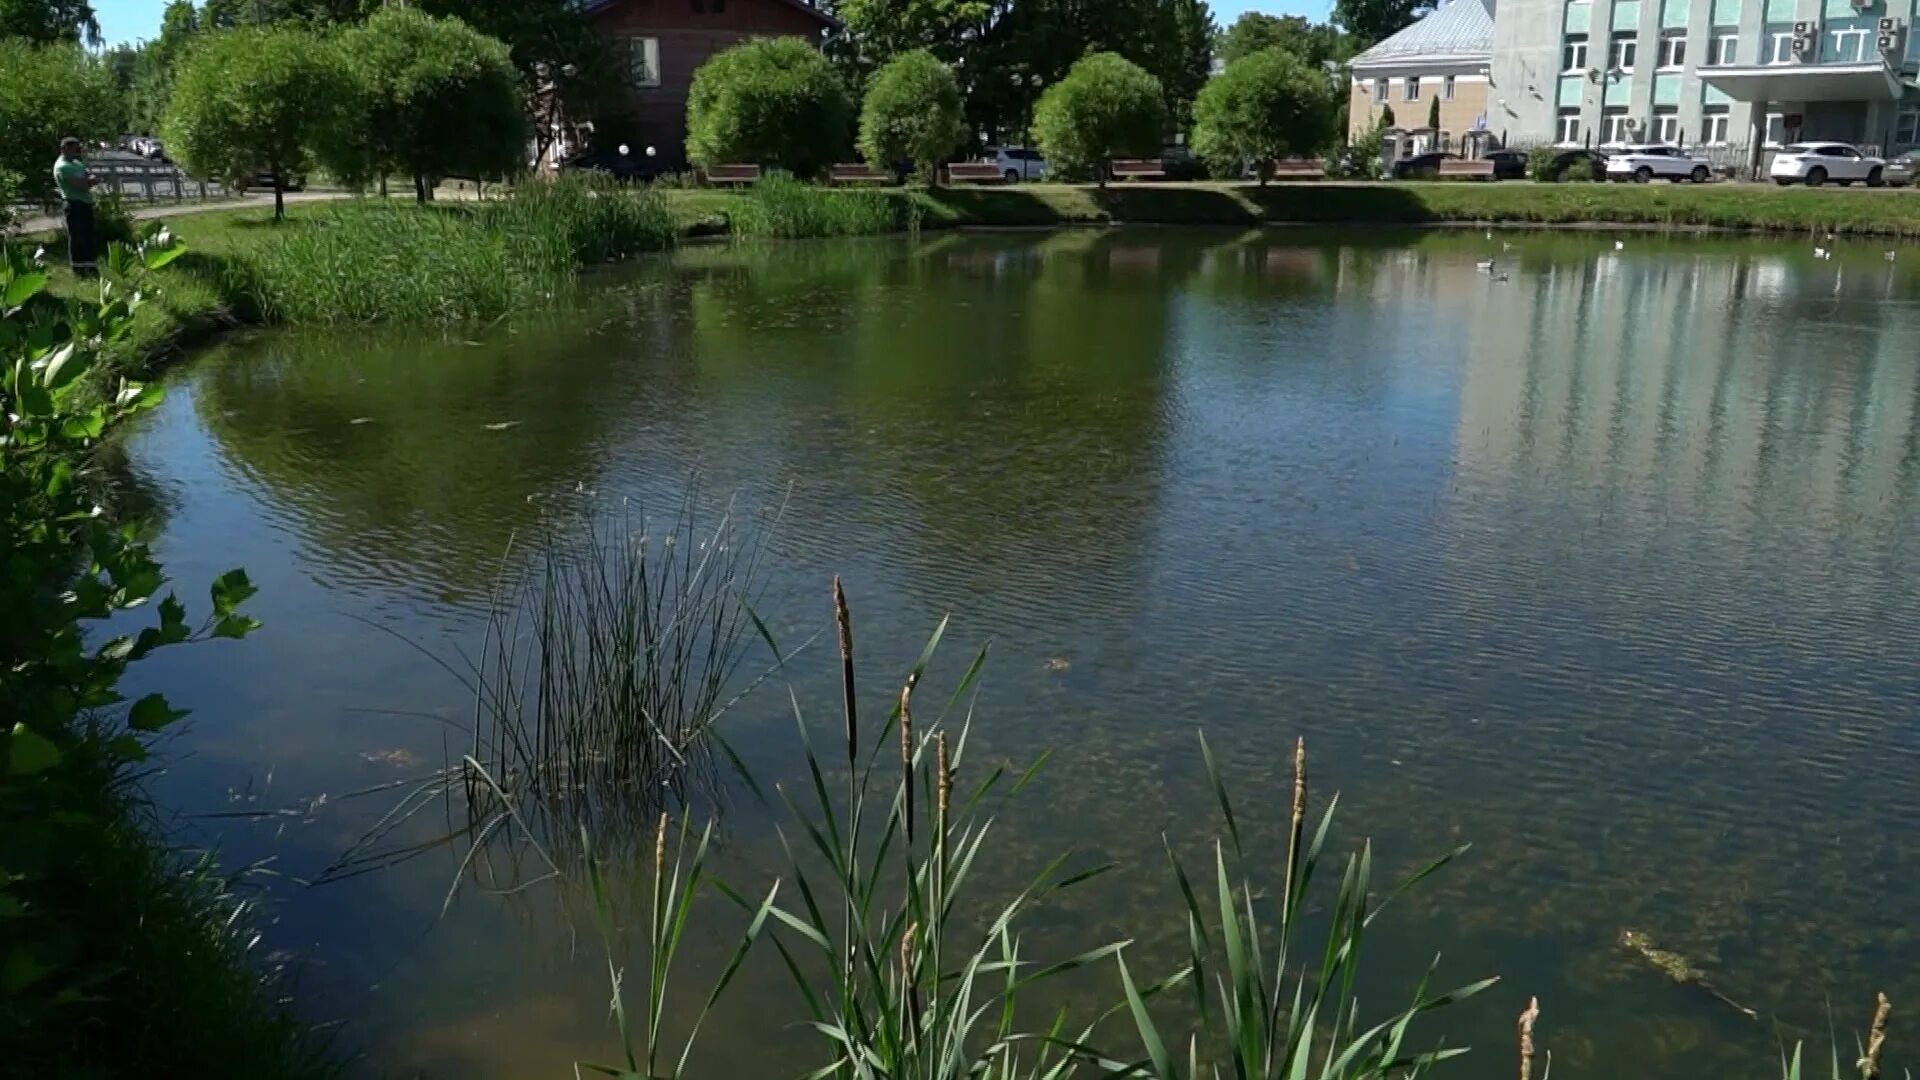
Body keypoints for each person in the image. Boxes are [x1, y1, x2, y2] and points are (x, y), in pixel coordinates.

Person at [53, 137, 99, 277]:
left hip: (85, 202)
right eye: (74, 149)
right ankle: (78, 269)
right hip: (73, 203)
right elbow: (80, 184)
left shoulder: (76, 163)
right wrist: (90, 181)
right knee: (77, 237)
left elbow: (87, 175)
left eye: (78, 149)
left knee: (88, 236)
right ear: (64, 149)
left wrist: (90, 178)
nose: (77, 152)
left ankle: (90, 266)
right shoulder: (62, 167)